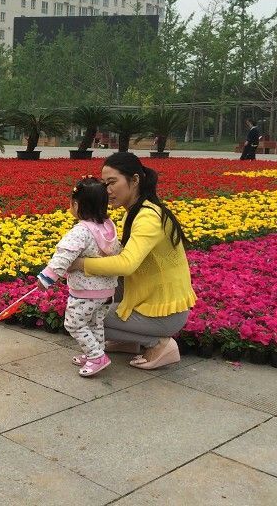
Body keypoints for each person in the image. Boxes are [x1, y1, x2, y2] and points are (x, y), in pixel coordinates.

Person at [69, 153, 197, 369]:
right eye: (104, 184)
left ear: (135, 180)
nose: (106, 190)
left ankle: (158, 343)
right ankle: (128, 341)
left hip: (164, 313)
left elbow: (126, 264)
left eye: (112, 182)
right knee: (88, 310)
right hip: (149, 301)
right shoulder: (136, 211)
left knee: (82, 317)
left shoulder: (148, 217)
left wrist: (79, 264)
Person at [36, 177, 121, 377]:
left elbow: (63, 256)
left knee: (73, 323)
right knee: (94, 323)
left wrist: (46, 279)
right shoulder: (108, 227)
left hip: (86, 291)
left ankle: (96, 357)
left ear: (76, 205)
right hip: (107, 291)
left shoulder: (80, 231)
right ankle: (95, 351)